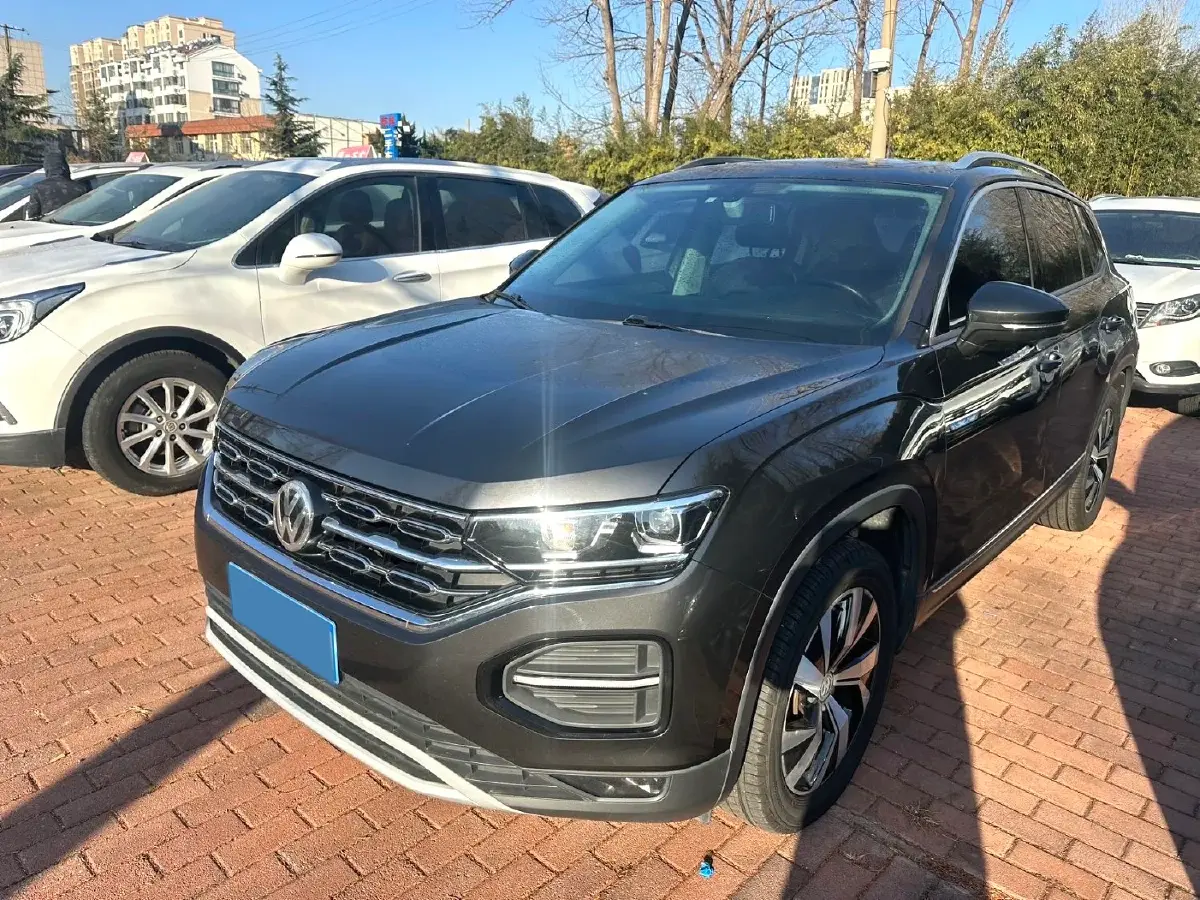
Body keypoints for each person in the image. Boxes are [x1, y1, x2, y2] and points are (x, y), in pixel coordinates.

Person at [25, 145, 88, 220]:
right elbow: (87, 212)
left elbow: (32, 216)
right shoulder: (80, 187)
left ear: (47, 167)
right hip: (75, 227)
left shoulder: (39, 188)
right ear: (65, 166)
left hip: (50, 228)